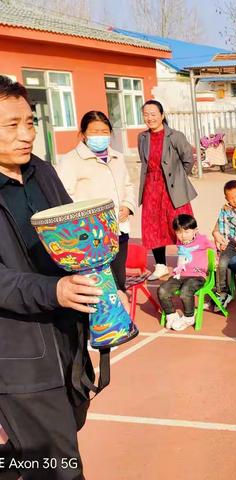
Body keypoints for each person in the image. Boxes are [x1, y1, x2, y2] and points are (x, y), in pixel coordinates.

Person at [0, 75, 104, 479]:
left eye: (30, 122)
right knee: (59, 466)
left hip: (67, 341)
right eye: (12, 125)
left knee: (40, 450)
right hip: (19, 357)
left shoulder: (41, 171)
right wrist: (54, 289)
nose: (26, 134)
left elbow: (73, 234)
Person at [56, 110, 135, 291]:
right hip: (92, 235)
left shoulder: (118, 157)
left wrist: (127, 206)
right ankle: (98, 319)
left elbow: (128, 185)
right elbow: (63, 197)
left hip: (119, 229)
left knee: (118, 279)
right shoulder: (70, 161)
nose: (100, 136)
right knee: (97, 284)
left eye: (104, 132)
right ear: (83, 134)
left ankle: (119, 318)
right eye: (94, 132)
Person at [138, 100, 197, 281]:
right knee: (154, 227)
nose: (150, 118)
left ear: (162, 115)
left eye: (153, 114)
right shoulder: (142, 137)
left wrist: (178, 178)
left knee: (180, 223)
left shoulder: (175, 136)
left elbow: (188, 159)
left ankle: (185, 263)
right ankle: (161, 266)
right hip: (151, 186)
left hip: (173, 187)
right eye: (146, 114)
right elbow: (145, 162)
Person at [157, 214, 214, 331]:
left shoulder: (202, 239)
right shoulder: (179, 242)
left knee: (185, 291)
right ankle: (171, 315)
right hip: (180, 275)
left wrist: (215, 260)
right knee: (162, 290)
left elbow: (213, 248)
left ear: (195, 231)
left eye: (186, 232)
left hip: (197, 276)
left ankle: (189, 317)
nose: (182, 236)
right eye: (178, 232)